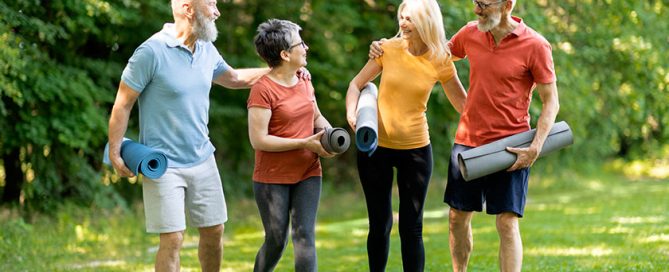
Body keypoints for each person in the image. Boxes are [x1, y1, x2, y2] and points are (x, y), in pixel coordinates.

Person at [108, 1, 307, 271]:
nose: (217, 12)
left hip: (203, 158)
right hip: (164, 164)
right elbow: (123, 103)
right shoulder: (151, 51)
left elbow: (234, 78)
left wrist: (282, 72)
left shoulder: (205, 49)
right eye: (211, 4)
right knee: (173, 238)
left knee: (214, 232)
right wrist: (115, 151)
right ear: (189, 9)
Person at [369, 0, 560, 271]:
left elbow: (551, 101)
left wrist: (536, 146)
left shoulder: (536, 45)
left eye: (483, 4)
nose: (476, 10)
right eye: (475, 2)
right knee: (457, 217)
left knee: (506, 222)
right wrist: (386, 46)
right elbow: (432, 53)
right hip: (468, 141)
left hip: (511, 145)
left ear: (506, 5)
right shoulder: (470, 33)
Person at [346, 0, 467, 271]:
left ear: (427, 21)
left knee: (412, 228)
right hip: (375, 148)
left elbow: (464, 105)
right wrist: (352, 113)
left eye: (410, 18)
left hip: (415, 151)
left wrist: (498, 123)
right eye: (402, 17)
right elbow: (356, 84)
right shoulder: (386, 48)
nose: (402, 23)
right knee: (379, 224)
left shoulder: (440, 59)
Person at [247, 19, 334, 272]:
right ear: (285, 54)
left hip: (308, 170)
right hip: (272, 177)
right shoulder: (262, 90)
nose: (306, 47)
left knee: (305, 237)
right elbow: (259, 140)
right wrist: (305, 142)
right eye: (300, 44)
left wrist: (329, 136)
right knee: (276, 240)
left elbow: (316, 117)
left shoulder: (305, 80)